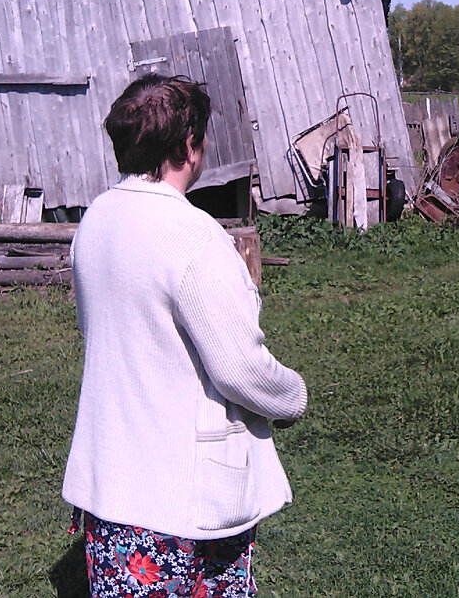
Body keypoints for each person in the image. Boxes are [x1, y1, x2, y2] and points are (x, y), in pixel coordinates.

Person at [62, 74, 307, 598]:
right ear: (187, 146)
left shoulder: (96, 222)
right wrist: (291, 398)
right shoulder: (194, 237)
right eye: (202, 136)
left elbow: (98, 331)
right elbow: (239, 368)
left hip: (110, 490)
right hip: (179, 504)